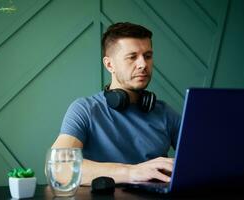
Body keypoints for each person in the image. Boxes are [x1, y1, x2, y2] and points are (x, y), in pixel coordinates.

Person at [52, 22, 181, 186]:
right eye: (132, 57)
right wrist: (132, 172)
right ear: (109, 64)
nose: (143, 64)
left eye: (147, 56)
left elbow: (202, 158)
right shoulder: (85, 109)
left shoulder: (165, 113)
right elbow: (59, 168)